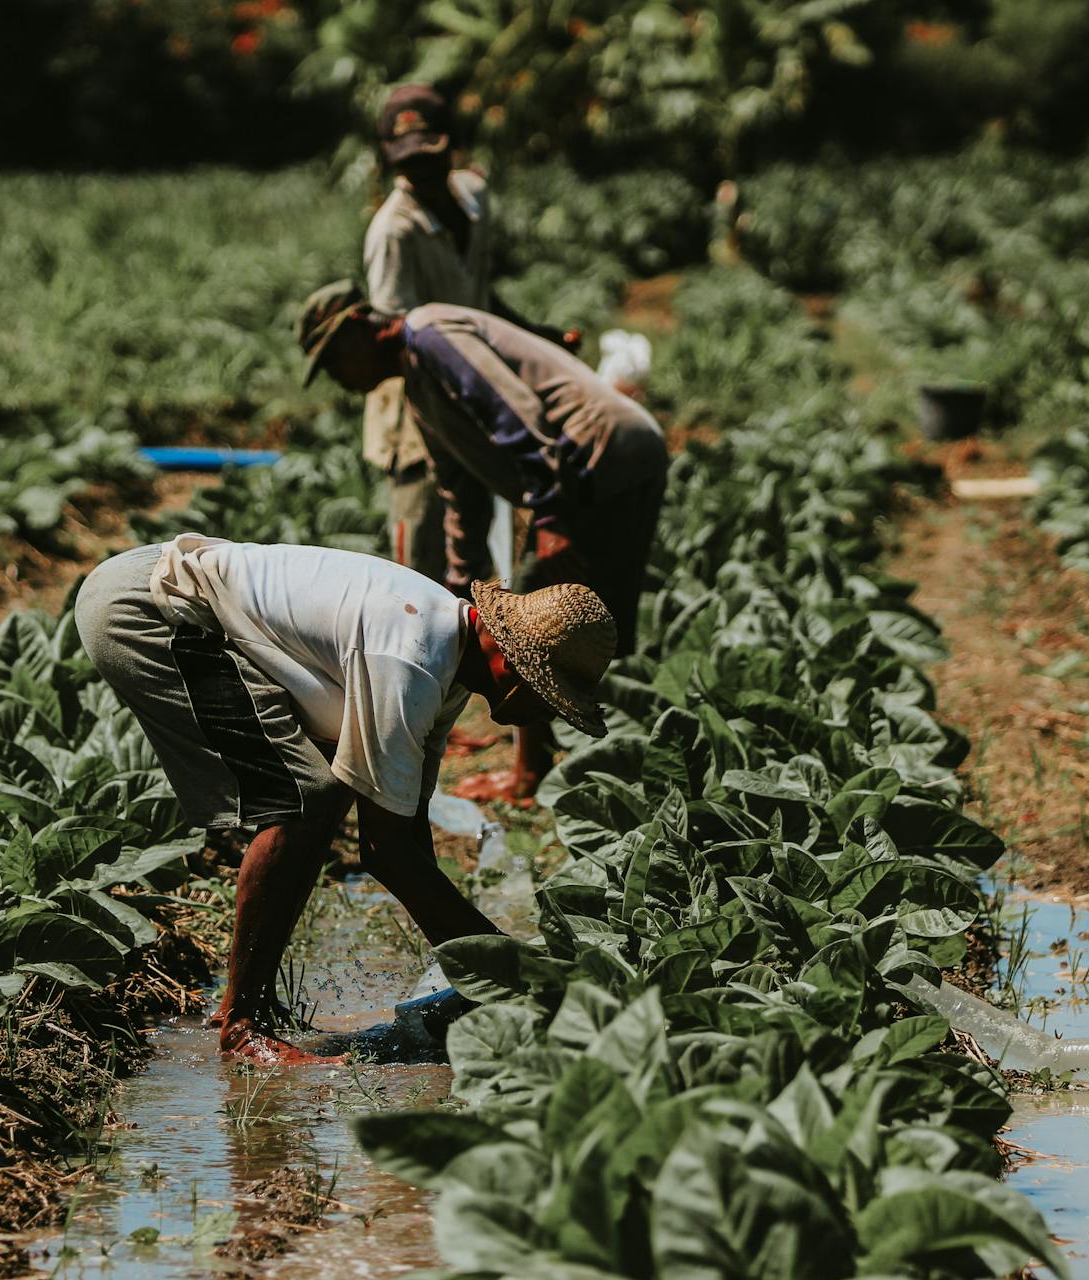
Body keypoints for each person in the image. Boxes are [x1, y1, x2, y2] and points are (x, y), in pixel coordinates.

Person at [74, 534, 616, 1062]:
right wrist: (516, 973)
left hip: (171, 592)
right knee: (306, 796)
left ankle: (250, 1008)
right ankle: (242, 1028)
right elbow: (385, 854)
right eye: (545, 695)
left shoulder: (447, 657)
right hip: (148, 608)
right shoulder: (411, 660)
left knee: (322, 792)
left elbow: (406, 831)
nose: (542, 716)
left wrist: (484, 974)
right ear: (506, 659)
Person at [297, 282, 668, 801]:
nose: (338, 378)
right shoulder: (418, 385)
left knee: (548, 620)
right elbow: (459, 487)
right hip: (591, 467)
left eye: (334, 359)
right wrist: (459, 579)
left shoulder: (431, 334)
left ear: (360, 328)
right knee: (577, 620)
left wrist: (551, 513)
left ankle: (540, 773)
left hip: (601, 459)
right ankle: (586, 766)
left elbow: (514, 413)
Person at [361, 83, 576, 582]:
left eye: (430, 157)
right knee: (422, 547)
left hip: (476, 386)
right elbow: (396, 336)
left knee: (478, 527)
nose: (421, 172)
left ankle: (482, 639)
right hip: (418, 407)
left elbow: (478, 298)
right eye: (407, 163)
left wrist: (531, 336)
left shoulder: (475, 198)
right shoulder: (394, 232)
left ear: (452, 147)